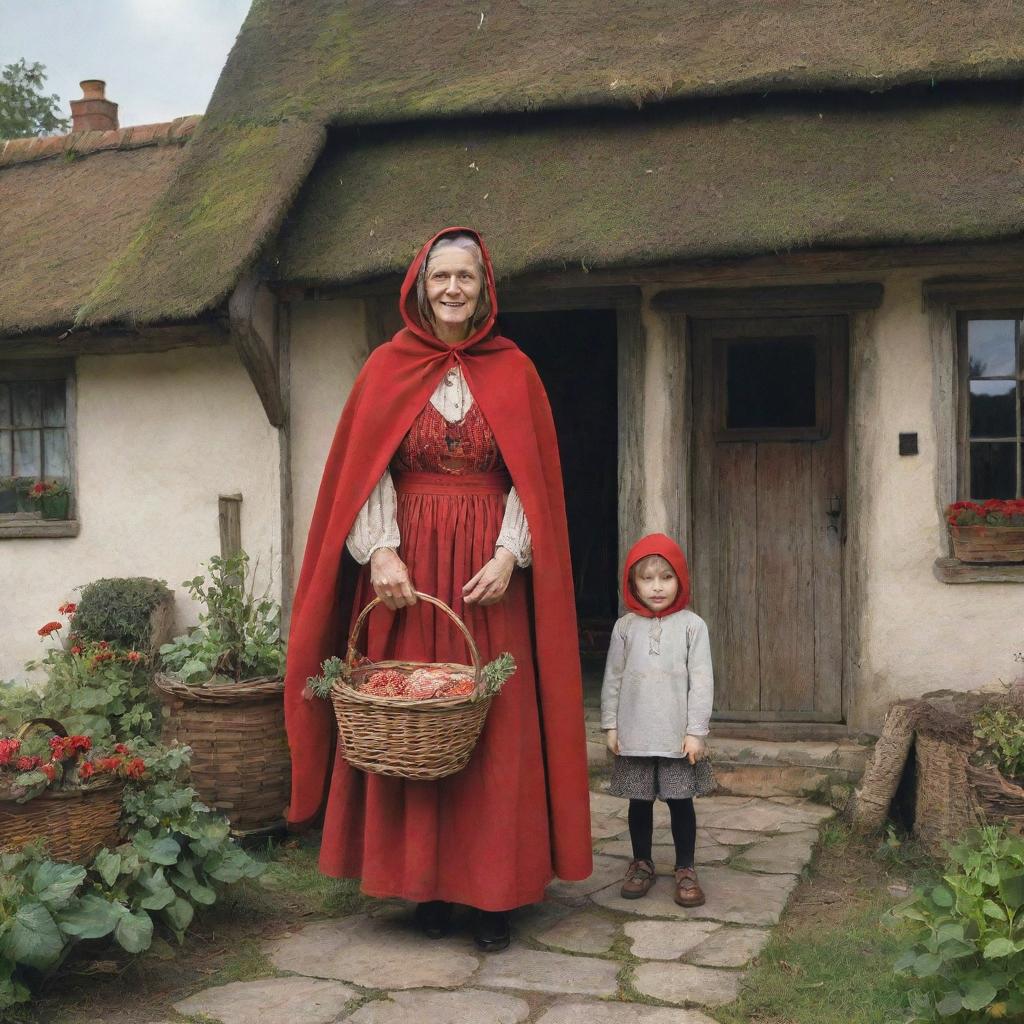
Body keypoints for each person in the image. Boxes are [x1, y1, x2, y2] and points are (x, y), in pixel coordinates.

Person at [283, 227, 592, 952]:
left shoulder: (516, 371)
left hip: (488, 574)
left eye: (466, 278)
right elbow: (365, 473)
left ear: (486, 289)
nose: (452, 289)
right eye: (440, 278)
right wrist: (382, 554)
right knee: (413, 720)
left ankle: (494, 894)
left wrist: (513, 555)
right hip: (409, 572)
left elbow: (535, 483)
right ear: (420, 288)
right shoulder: (387, 368)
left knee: (496, 729)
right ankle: (425, 884)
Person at [601, 533, 715, 907]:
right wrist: (611, 726)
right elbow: (613, 679)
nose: (656, 587)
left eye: (666, 577)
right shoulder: (624, 627)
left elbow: (701, 682)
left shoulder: (691, 626)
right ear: (632, 583)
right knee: (639, 802)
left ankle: (685, 868)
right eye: (646, 578)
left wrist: (696, 732)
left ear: (680, 579)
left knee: (681, 802)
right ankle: (642, 863)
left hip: (675, 737)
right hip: (635, 734)